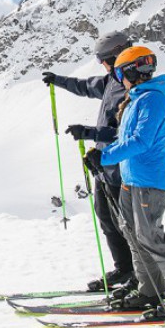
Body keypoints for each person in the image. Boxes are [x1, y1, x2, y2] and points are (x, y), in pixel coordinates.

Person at [83, 46, 165, 318]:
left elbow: (141, 141)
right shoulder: (135, 99)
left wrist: (105, 156)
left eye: (119, 72)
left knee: (152, 238)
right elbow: (125, 138)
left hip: (149, 181)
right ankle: (150, 290)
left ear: (128, 71)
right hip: (130, 180)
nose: (118, 78)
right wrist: (101, 153)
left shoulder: (151, 99)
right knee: (134, 237)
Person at [42, 30, 134, 291]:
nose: (102, 65)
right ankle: (124, 268)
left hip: (122, 168)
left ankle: (139, 273)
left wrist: (90, 133)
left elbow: (126, 133)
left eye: (102, 60)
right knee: (106, 217)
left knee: (125, 222)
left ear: (114, 57)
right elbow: (85, 87)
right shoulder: (112, 82)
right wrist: (57, 80)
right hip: (104, 166)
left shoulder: (131, 87)